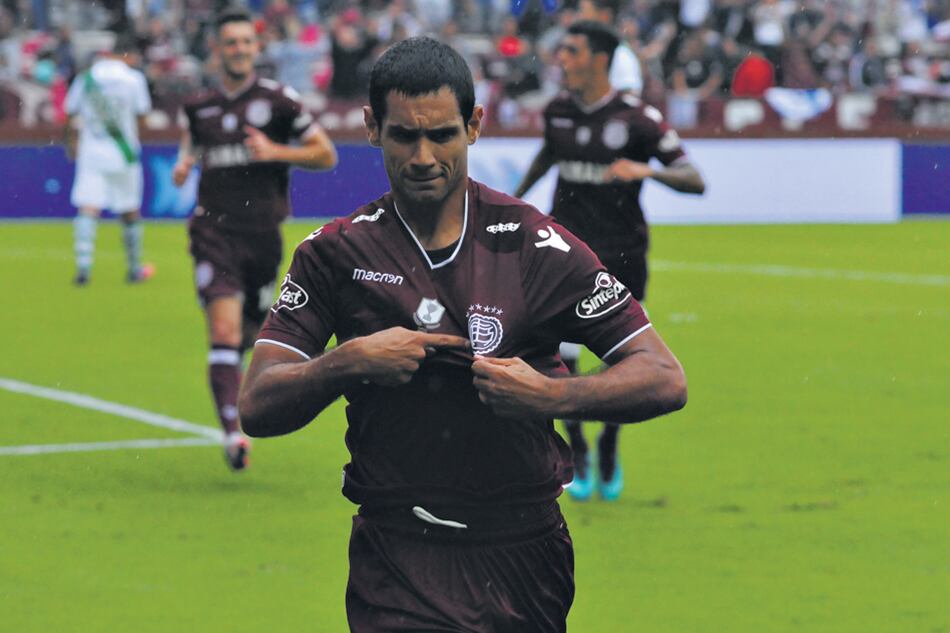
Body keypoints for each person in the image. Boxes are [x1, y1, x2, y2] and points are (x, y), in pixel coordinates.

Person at [239, 36, 687, 632]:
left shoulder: (535, 244)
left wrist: (551, 396)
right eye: (403, 135)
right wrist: (345, 362)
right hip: (398, 556)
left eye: (442, 134)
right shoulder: (334, 253)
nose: (423, 156)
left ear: (474, 125)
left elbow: (663, 376)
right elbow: (258, 403)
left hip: (523, 554)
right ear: (372, 128)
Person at [514, 21, 705, 502]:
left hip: (622, 254)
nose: (562, 60)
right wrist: (510, 201)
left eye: (572, 51)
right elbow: (548, 156)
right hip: (563, 253)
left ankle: (611, 445)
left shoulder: (638, 118)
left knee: (621, 361)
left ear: (600, 59)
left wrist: (645, 169)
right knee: (565, 359)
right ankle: (576, 448)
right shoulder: (557, 111)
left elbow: (693, 177)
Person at [171, 7, 338, 471]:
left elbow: (326, 154)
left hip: (262, 238)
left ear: (256, 48)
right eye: (231, 43)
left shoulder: (279, 101)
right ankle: (232, 435)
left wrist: (276, 151)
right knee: (222, 331)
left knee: (245, 334)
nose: (240, 50)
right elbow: (190, 149)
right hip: (213, 232)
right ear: (217, 50)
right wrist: (185, 166)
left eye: (247, 42)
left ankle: (230, 368)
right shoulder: (199, 107)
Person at [65, 33, 153, 286]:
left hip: (92, 151)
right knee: (129, 209)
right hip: (123, 153)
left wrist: (72, 145)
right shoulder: (133, 78)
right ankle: (134, 268)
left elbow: (70, 115)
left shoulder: (87, 77)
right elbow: (143, 117)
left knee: (88, 207)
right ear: (128, 54)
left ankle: (83, 268)